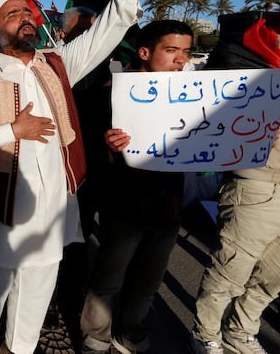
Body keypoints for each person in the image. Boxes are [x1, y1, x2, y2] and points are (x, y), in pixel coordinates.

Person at [0, 0, 161, 354]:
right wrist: (13, 130)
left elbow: (107, 29)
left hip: (52, 223)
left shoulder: (59, 64)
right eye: (13, 15)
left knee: (28, 324)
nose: (25, 18)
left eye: (27, 12)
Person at [191, 0, 280, 354]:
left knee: (279, 273)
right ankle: (206, 334)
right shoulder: (240, 49)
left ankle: (241, 331)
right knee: (232, 268)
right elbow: (238, 104)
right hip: (257, 180)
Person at [79, 20, 193, 354]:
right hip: (125, 203)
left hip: (169, 203)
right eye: (171, 50)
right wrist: (107, 144)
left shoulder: (189, 92)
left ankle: (131, 331)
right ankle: (96, 335)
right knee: (109, 275)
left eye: (185, 52)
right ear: (145, 52)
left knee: (149, 278)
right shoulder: (111, 92)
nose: (180, 60)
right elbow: (88, 146)